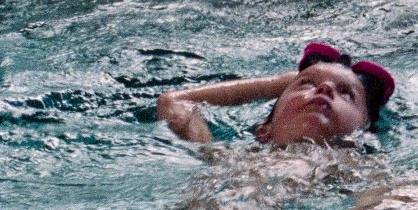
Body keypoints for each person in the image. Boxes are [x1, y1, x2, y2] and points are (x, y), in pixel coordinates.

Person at [157, 42, 396, 145]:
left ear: (362, 132)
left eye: (346, 93)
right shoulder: (227, 159)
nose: (325, 88)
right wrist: (280, 84)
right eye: (308, 84)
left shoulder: (358, 169)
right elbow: (174, 101)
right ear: (264, 131)